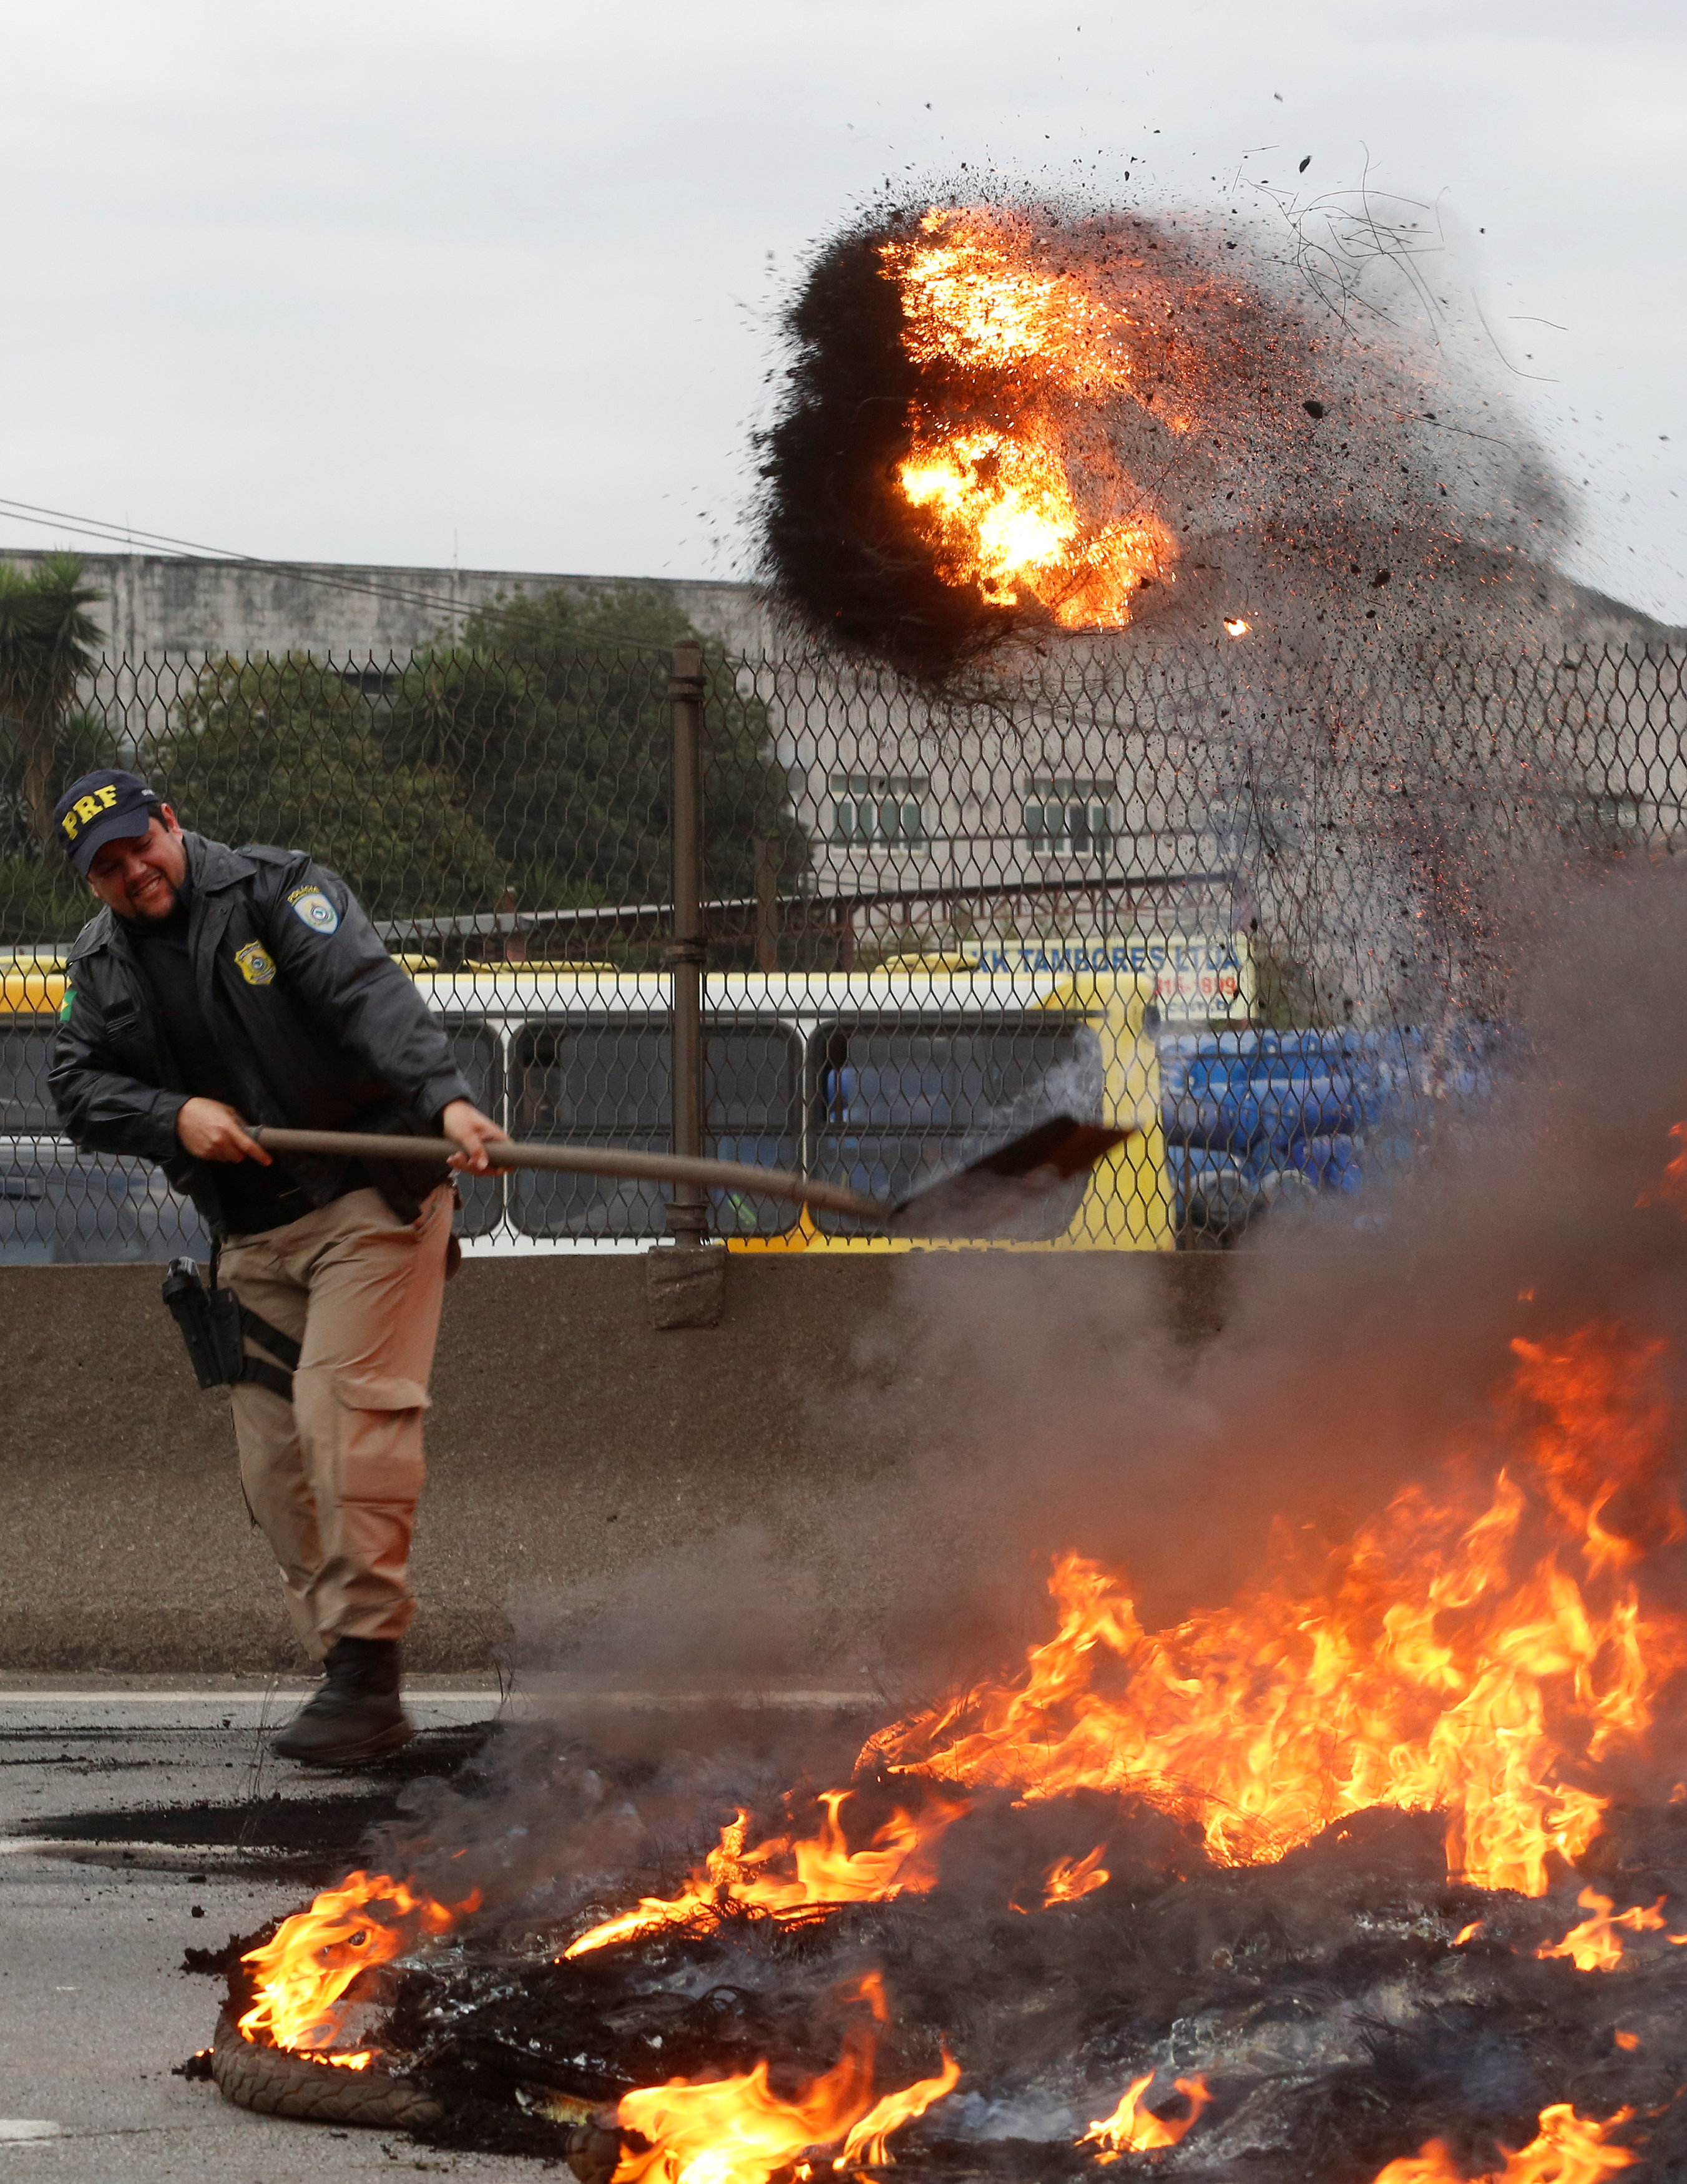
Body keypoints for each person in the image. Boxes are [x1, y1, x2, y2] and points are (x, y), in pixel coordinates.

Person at [48, 769, 509, 1767]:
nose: (135, 873)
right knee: (275, 1463)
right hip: (251, 1238)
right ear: (92, 882)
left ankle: (366, 1674)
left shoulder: (278, 890)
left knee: (345, 1410)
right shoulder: (99, 967)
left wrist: (445, 1101)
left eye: (142, 846)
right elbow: (76, 1085)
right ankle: (348, 1670)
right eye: (110, 868)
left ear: (172, 822)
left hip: (372, 1197)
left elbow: (367, 994)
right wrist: (173, 1116)